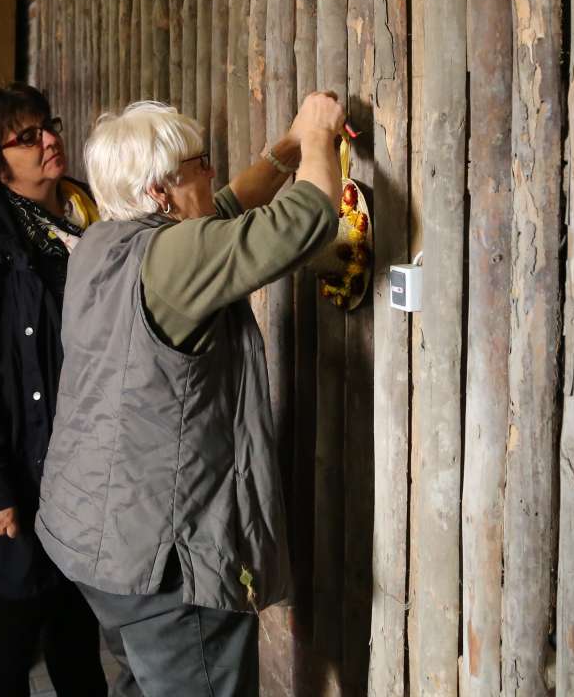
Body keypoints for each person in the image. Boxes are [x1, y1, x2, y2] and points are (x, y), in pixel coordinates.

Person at [36, 92, 346, 696]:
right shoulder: (175, 257)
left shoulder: (102, 243)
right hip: (165, 561)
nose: (212, 171)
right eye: (200, 164)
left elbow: (222, 209)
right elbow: (306, 220)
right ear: (159, 192)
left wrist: (280, 155)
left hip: (99, 543)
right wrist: (317, 139)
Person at [0, 83, 107, 697]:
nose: (49, 141)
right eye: (27, 136)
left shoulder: (87, 210)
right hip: (18, 464)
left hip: (79, 455)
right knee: (13, 615)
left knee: (72, 619)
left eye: (49, 126)